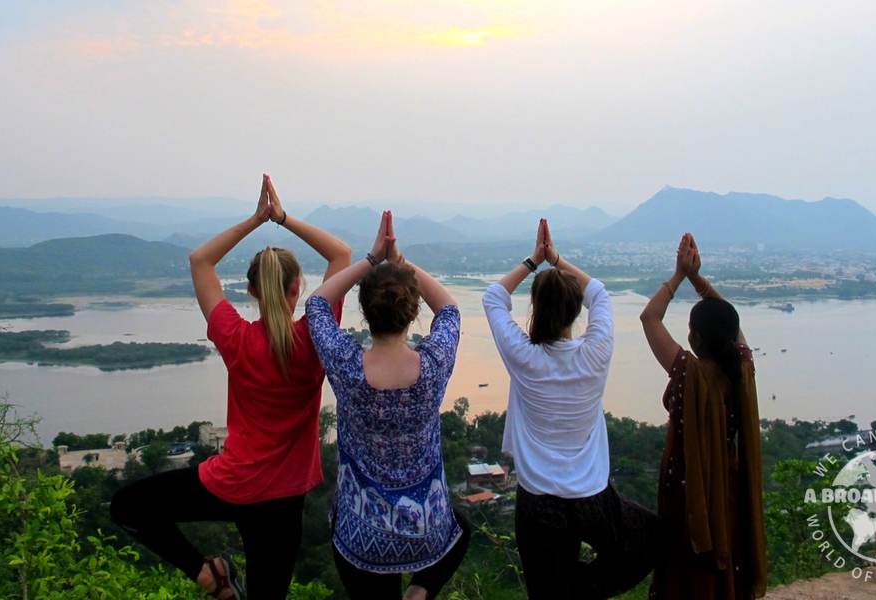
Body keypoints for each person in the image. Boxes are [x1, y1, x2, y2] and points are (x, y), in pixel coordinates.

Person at [109, 174, 351, 600]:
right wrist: (283, 218)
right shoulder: (315, 336)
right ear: (299, 289)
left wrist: (258, 220)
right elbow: (341, 253)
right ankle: (219, 579)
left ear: (253, 291)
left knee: (127, 508)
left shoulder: (235, 336)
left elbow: (200, 261)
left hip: (232, 484)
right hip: (284, 500)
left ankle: (208, 575)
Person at [483, 219, 659, 599]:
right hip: (592, 497)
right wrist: (557, 259)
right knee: (650, 538)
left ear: (536, 308)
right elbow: (600, 292)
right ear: (575, 310)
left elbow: (493, 297)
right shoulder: (594, 353)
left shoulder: (525, 358)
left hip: (538, 503)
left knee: (547, 591)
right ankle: (584, 590)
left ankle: (571, 590)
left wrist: (534, 261)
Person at [305, 211, 470, 600]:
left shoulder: (348, 366)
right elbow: (449, 309)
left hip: (363, 538)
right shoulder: (431, 366)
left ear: (364, 310)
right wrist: (401, 264)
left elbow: (316, 305)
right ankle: (420, 591)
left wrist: (373, 259)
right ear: (413, 312)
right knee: (461, 528)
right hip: (427, 532)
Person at [640, 233, 767, 599]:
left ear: (695, 338)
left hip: (687, 486)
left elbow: (650, 317)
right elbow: (729, 318)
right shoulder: (741, 368)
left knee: (687, 563)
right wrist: (699, 280)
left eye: (691, 330)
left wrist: (680, 275)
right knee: (726, 546)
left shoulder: (689, 374)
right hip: (726, 479)